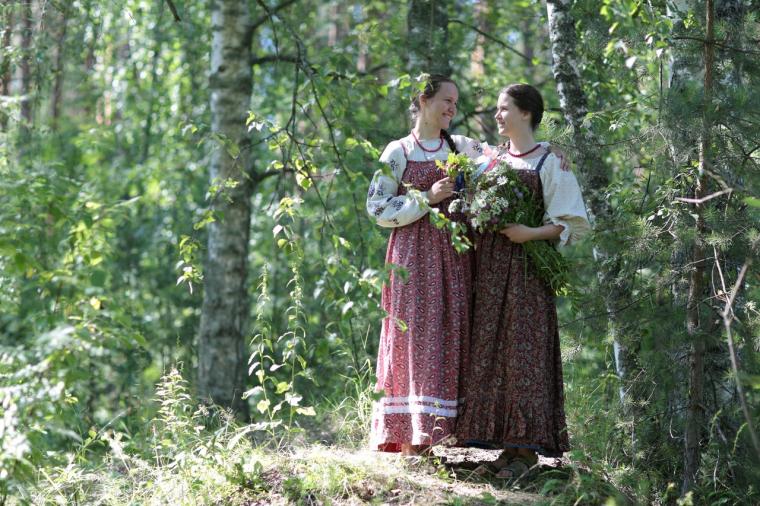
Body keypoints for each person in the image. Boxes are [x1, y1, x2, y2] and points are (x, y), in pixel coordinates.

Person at [456, 83, 590, 478]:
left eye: (503, 109)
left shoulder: (549, 162)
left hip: (529, 273)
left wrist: (529, 233)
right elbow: (451, 140)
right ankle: (503, 446)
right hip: (492, 272)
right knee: (493, 352)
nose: (497, 115)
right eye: (497, 109)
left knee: (525, 355)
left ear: (526, 113)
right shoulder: (491, 158)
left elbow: (574, 224)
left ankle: (526, 450)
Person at [366, 74, 484, 456]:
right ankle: (413, 443)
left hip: (454, 257)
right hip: (412, 260)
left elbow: (508, 158)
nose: (453, 108)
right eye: (447, 100)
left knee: (449, 336)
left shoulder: (463, 146)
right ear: (424, 99)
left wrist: (550, 150)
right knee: (413, 338)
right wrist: (425, 199)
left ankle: (443, 436)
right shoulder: (398, 151)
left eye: (456, 102)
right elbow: (377, 207)